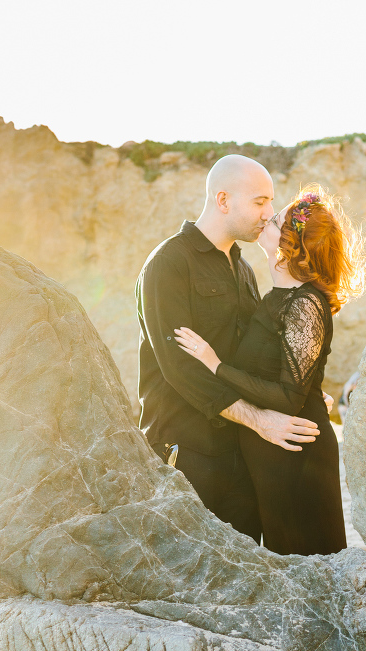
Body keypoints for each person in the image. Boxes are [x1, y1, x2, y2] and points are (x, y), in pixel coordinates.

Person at [174, 184, 366, 556]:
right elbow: (282, 372)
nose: (267, 216)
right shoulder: (276, 296)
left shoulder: (305, 303)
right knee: (284, 561)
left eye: (276, 217)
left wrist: (215, 365)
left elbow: (288, 397)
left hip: (296, 451)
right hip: (271, 451)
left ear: (290, 242)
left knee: (306, 560)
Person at [136, 154, 322, 542]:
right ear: (223, 201)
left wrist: (302, 390)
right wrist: (260, 420)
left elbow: (255, 357)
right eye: (259, 202)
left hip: (239, 455)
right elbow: (179, 369)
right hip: (186, 453)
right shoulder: (168, 264)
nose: (269, 213)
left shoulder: (243, 269)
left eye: (271, 201)